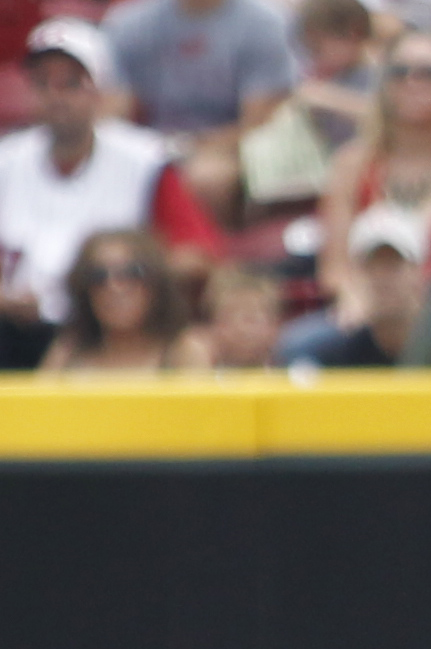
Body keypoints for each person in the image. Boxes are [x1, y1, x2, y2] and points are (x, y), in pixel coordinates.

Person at [278, 29, 431, 364]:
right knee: (302, 345)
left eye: (429, 73)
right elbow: (336, 268)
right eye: (399, 72)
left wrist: (418, 304)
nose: (412, 82)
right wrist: (358, 299)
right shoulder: (351, 164)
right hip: (369, 306)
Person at [0, 19, 222, 371]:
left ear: (98, 90)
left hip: (102, 330)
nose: (56, 96)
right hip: (18, 327)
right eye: (43, 83)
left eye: (70, 84)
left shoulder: (144, 159)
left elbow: (198, 255)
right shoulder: (7, 160)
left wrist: (120, 278)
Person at [100, 0, 299, 221]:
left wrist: (188, 147)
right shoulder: (131, 23)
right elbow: (113, 114)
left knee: (206, 178)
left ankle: (203, 251)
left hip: (230, 147)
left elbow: (259, 122)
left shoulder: (263, 24)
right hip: (153, 143)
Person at [286, 201, 431, 364]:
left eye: (392, 265)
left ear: (419, 271)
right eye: (370, 267)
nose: (381, 278)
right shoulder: (331, 348)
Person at [39, 225, 211, 370]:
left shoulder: (184, 352)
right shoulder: (67, 354)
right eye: (98, 276)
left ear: (156, 283)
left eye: (133, 273)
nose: (115, 287)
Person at [291, 0, 377, 154]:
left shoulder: (382, 75)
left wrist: (326, 97)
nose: (313, 55)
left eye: (317, 47)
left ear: (354, 34)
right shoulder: (308, 73)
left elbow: (391, 117)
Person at [201, 261, 283, 365]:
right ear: (211, 325)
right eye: (229, 318)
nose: (242, 330)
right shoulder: (198, 376)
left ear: (275, 325)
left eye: (252, 319)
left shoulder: (298, 375)